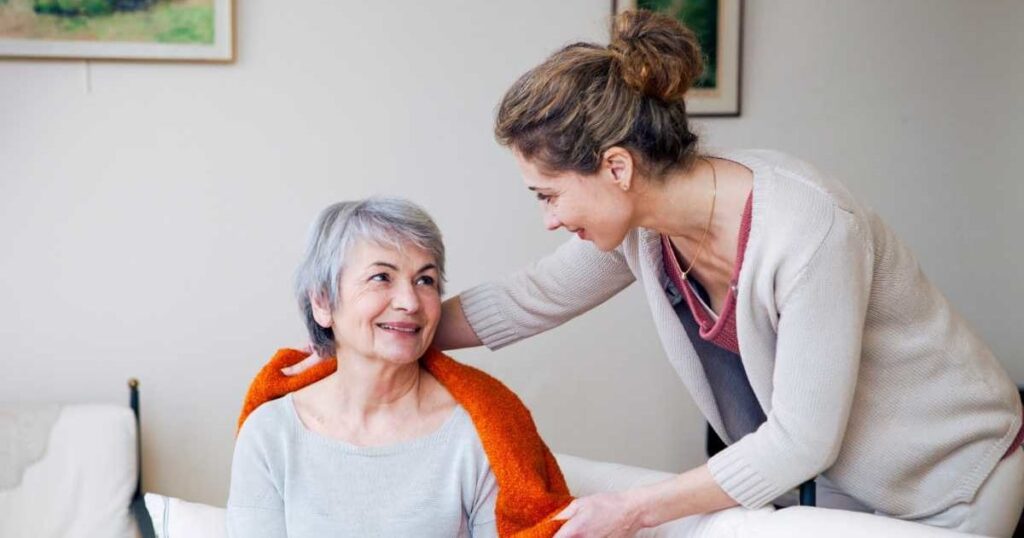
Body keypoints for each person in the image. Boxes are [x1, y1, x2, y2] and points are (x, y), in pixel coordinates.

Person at [284, 11, 1024, 537]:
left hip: (952, 482)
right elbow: (528, 298)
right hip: (838, 488)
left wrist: (632, 511)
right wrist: (375, 330)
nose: (548, 219)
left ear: (616, 167)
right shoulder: (644, 225)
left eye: (547, 195)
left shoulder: (810, 230)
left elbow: (802, 439)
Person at [227, 198, 500, 537]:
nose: (410, 302)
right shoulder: (270, 434)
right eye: (381, 277)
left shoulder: (477, 432)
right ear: (322, 302)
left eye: (425, 280)